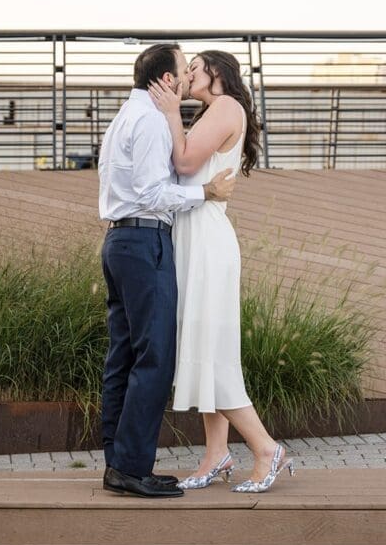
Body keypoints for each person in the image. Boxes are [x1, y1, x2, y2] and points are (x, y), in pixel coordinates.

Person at [147, 50, 296, 493]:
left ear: (217, 73)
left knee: (213, 350)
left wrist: (172, 112)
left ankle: (267, 449)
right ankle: (216, 454)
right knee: (204, 347)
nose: (187, 74)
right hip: (196, 235)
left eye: (195, 68)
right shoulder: (217, 112)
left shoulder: (226, 107)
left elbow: (186, 164)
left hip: (208, 241)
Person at [98, 43, 238, 499]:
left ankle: (119, 463)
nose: (186, 75)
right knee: (154, 357)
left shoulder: (126, 115)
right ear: (166, 81)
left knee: (123, 356)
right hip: (144, 243)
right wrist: (207, 194)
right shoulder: (152, 121)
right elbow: (153, 191)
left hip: (119, 241)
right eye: (182, 69)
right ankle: (132, 468)